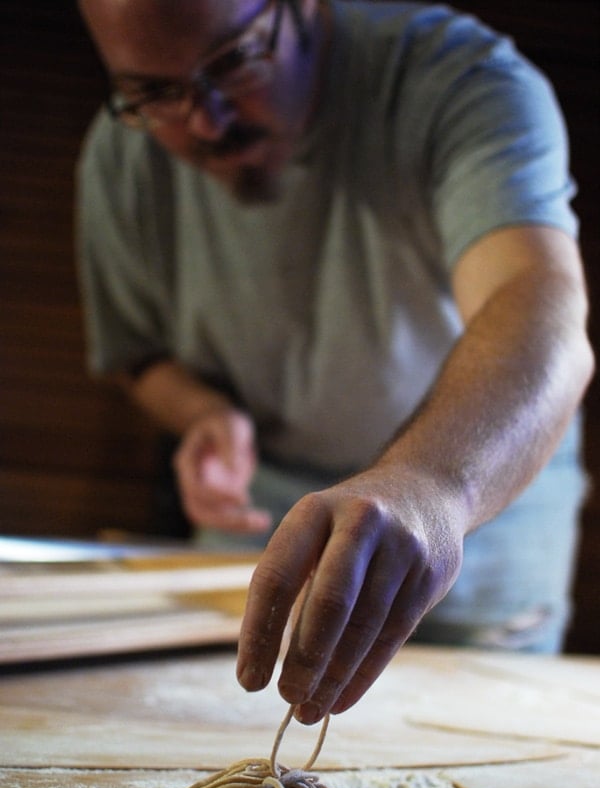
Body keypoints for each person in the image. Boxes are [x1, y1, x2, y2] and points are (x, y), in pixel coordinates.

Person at [76, 0, 593, 725]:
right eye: (156, 92)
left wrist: (429, 484)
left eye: (234, 62)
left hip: (474, 530)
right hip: (261, 535)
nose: (205, 122)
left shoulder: (458, 80)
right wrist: (202, 412)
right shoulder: (118, 153)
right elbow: (138, 354)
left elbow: (539, 305)